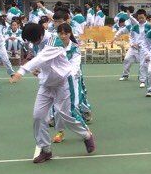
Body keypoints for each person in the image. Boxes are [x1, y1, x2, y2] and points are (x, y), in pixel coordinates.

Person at [9, 22, 96, 163]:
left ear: (40, 35)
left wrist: (22, 71)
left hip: (62, 83)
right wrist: (38, 70)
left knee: (66, 115)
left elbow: (42, 57)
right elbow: (43, 61)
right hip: (46, 84)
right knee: (38, 116)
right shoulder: (37, 42)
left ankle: (86, 135)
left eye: (33, 40)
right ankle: (46, 150)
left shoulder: (54, 41)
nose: (33, 43)